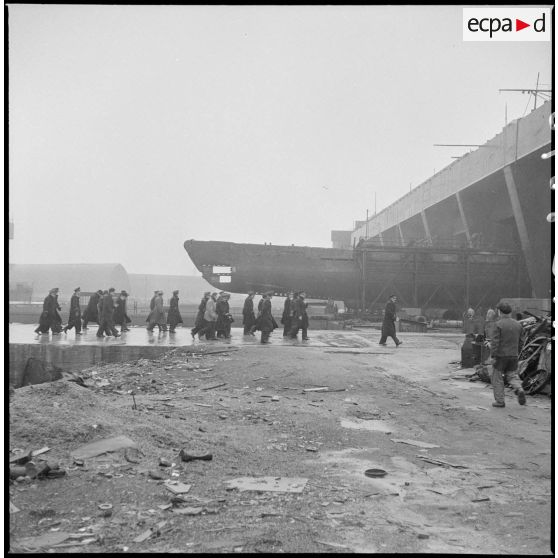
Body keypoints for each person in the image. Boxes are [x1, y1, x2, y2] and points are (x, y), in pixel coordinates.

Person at [489, 301, 526, 408]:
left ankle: (500, 401)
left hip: (501, 356)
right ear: (510, 312)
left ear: (500, 312)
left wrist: (493, 356)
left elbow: (495, 342)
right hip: (513, 355)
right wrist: (517, 352)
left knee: (497, 378)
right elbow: (521, 342)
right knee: (512, 376)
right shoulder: (518, 325)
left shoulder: (498, 324)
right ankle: (519, 389)